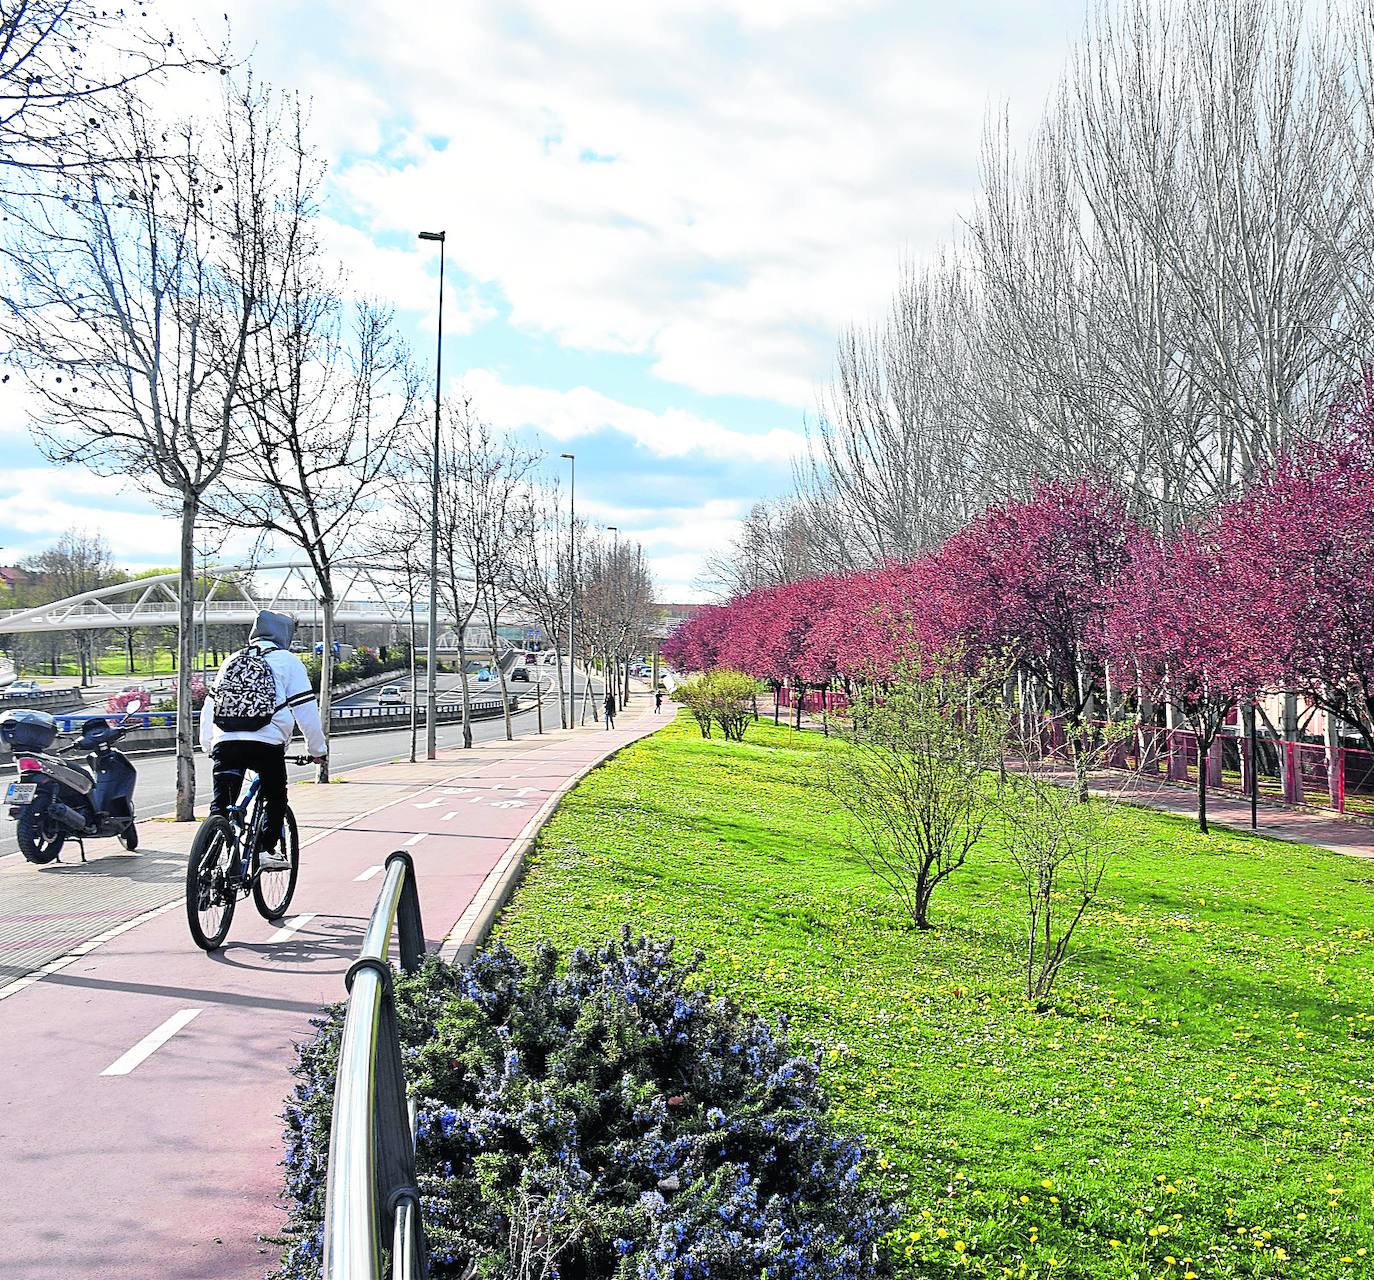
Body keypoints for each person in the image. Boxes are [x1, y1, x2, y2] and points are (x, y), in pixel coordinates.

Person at [199, 610, 327, 870]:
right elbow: (306, 710)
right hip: (266, 744)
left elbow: (210, 705)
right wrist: (318, 750)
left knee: (221, 805)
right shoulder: (288, 661)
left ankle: (204, 868)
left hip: (226, 741)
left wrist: (210, 745)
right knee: (275, 797)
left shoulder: (232, 659)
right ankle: (264, 850)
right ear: (285, 634)